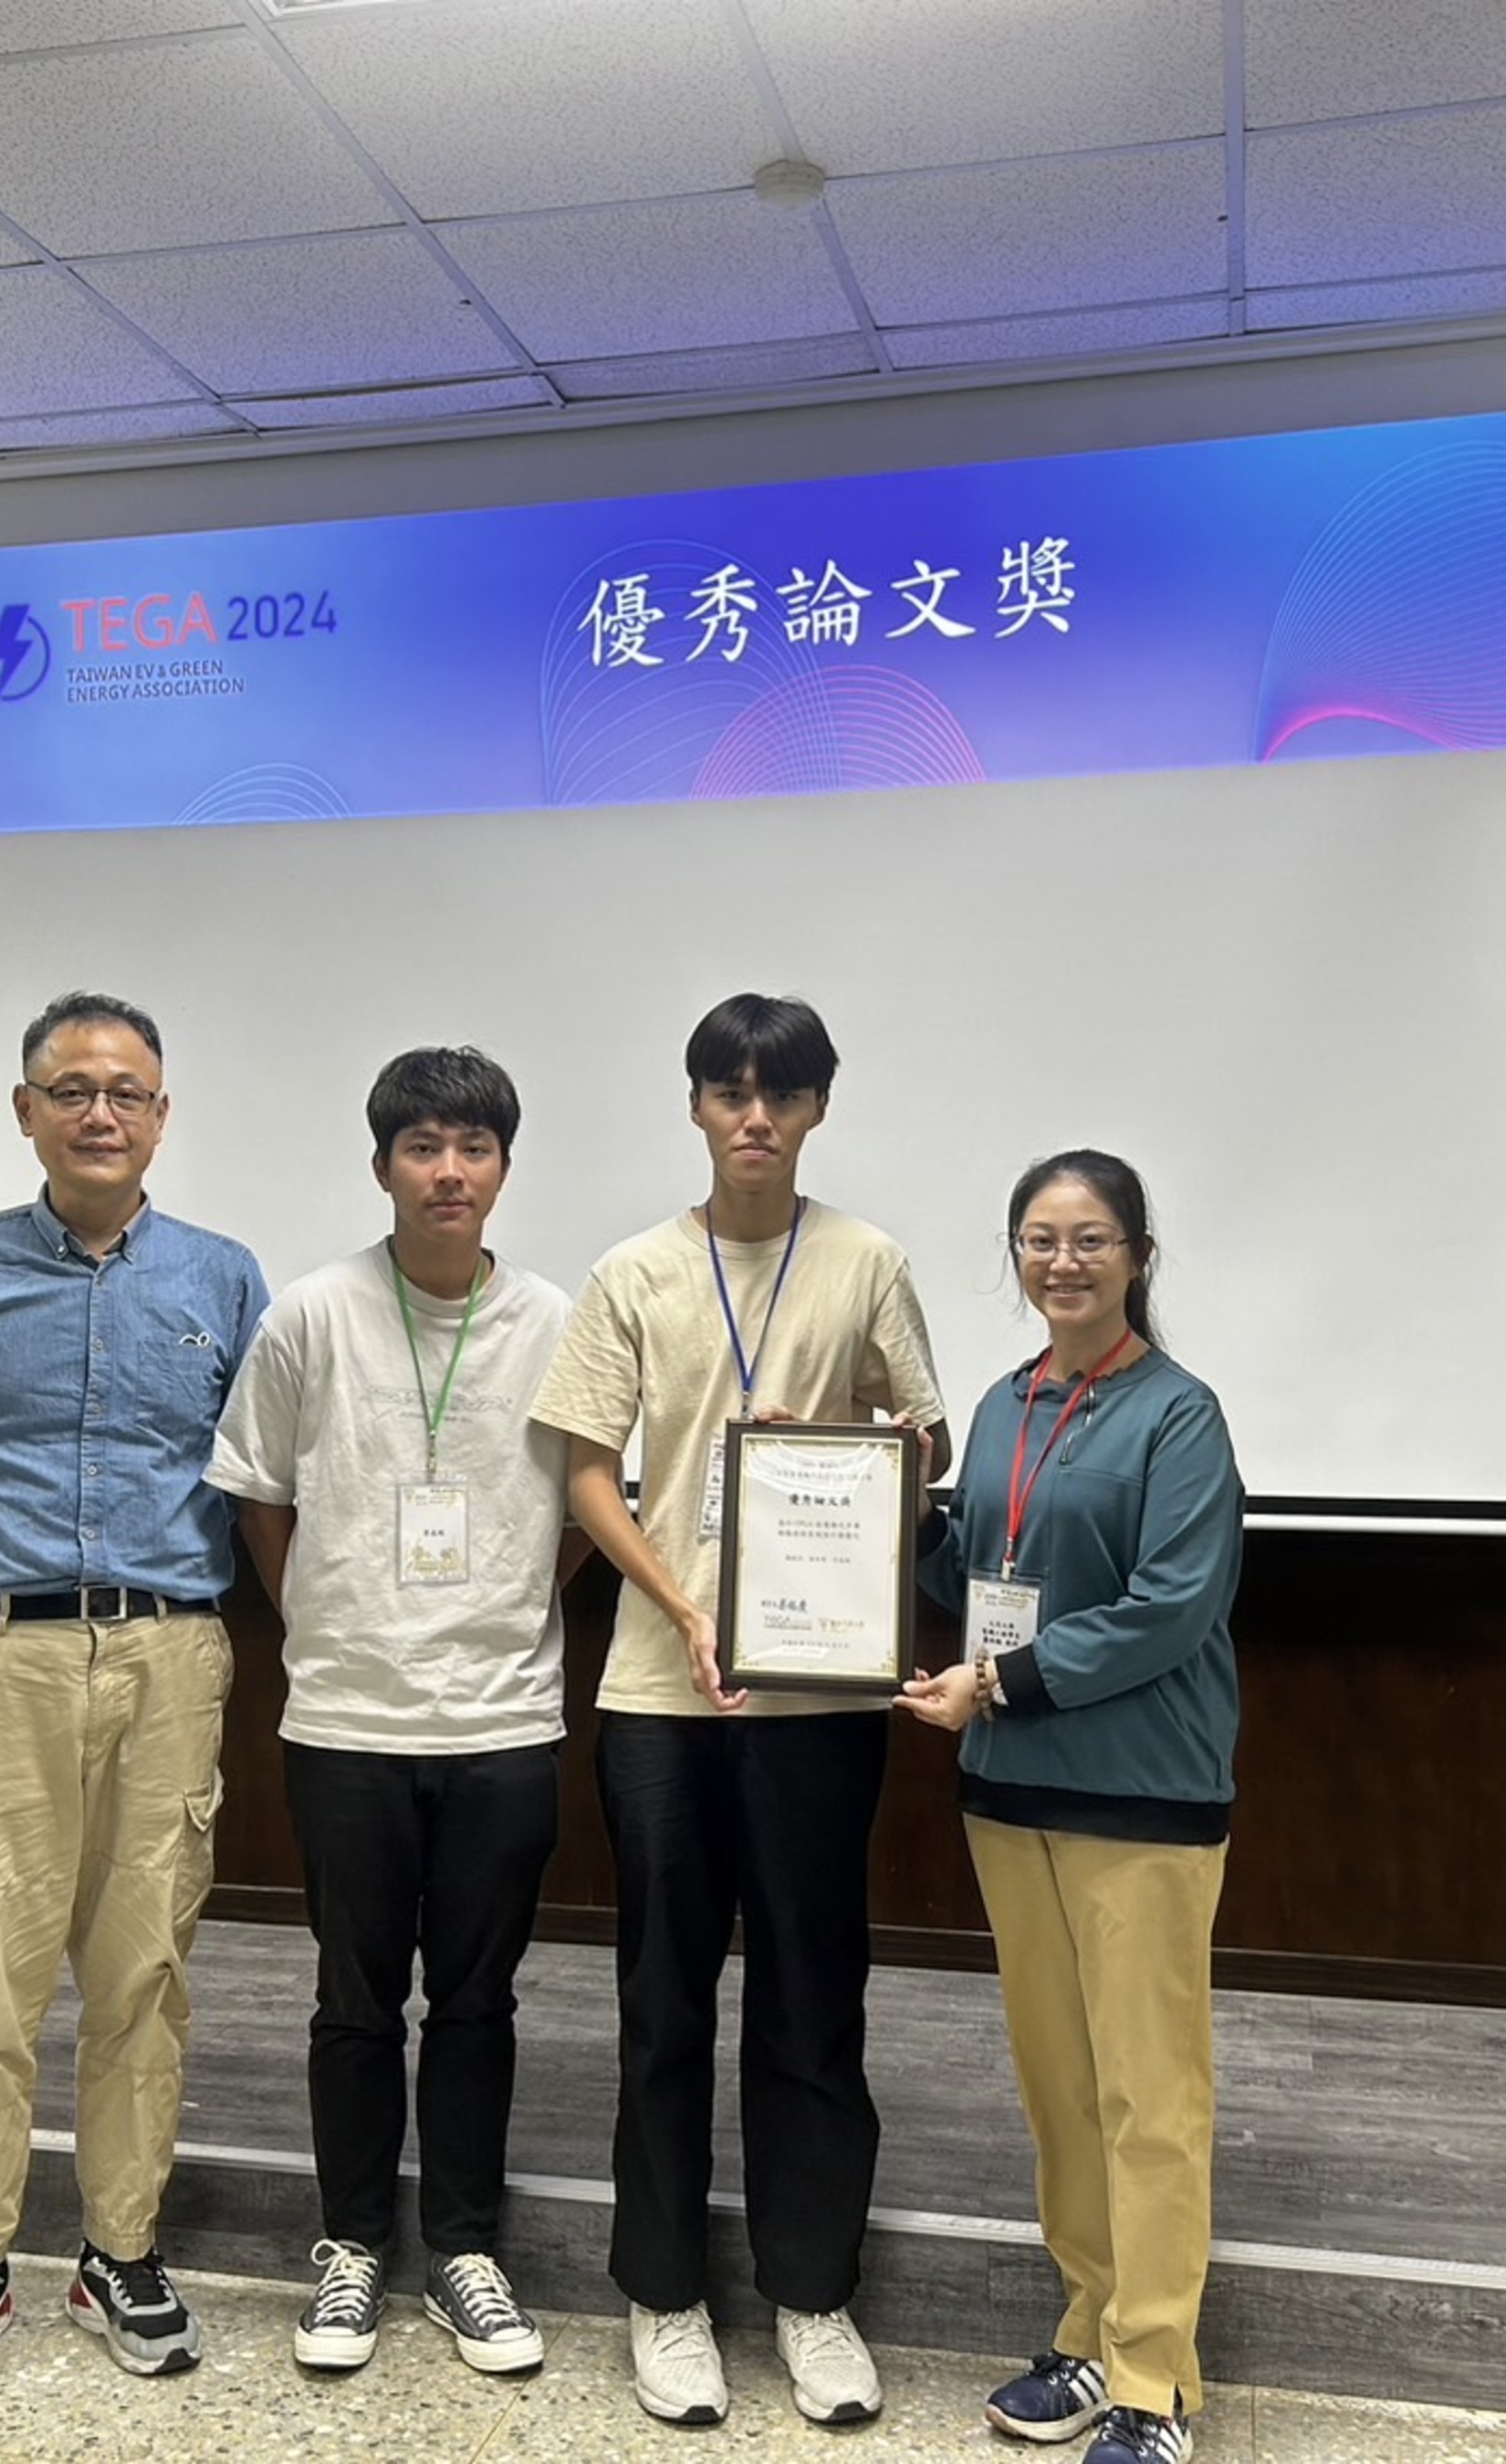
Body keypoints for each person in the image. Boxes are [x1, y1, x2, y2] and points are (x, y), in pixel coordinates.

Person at [529, 993, 946, 2429]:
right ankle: (664, 2297)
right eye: (729, 1092)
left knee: (813, 2000)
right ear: (698, 1105)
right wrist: (686, 1604)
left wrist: (855, 1450)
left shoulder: (867, 1259)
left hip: (818, 1692)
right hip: (664, 1691)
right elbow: (587, 1469)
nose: (755, 1118)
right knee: (661, 2004)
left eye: (781, 1094)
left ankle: (813, 2297)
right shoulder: (636, 1270)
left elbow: (928, 1441)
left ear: (817, 1107)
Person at [0, 991, 268, 2411]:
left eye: (127, 1093)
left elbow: (252, 1469)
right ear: (27, 1111)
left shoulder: (223, 1277)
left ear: (161, 1116)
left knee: (142, 1972)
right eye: (73, 1089)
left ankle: (121, 2249)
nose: (101, 1113)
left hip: (170, 1658)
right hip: (0, 1659)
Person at [207, 1048, 586, 2379]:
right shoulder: (313, 1314)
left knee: (479, 2003)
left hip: (502, 1721)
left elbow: (590, 1503)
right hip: (350, 1722)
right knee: (354, 2003)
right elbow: (261, 1492)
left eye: (473, 1148)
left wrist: (513, 1602)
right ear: (383, 1166)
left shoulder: (554, 1320)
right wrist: (318, 1617)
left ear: (503, 1169)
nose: (448, 1172)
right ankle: (353, 2245)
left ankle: (466, 2251)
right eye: (423, 1147)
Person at [895, 1150, 1242, 2464]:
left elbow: (1171, 1609)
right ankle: (1091, 2327)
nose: (1063, 1262)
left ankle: (1157, 2382)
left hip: (1138, 1793)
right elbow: (977, 1566)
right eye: (1040, 1239)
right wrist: (891, 1508)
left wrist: (999, 1681)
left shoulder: (1179, 1416)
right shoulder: (1004, 1404)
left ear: (1138, 1256)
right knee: (1061, 2087)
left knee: (1150, 2095)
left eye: (1091, 1239)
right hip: (1009, 1788)